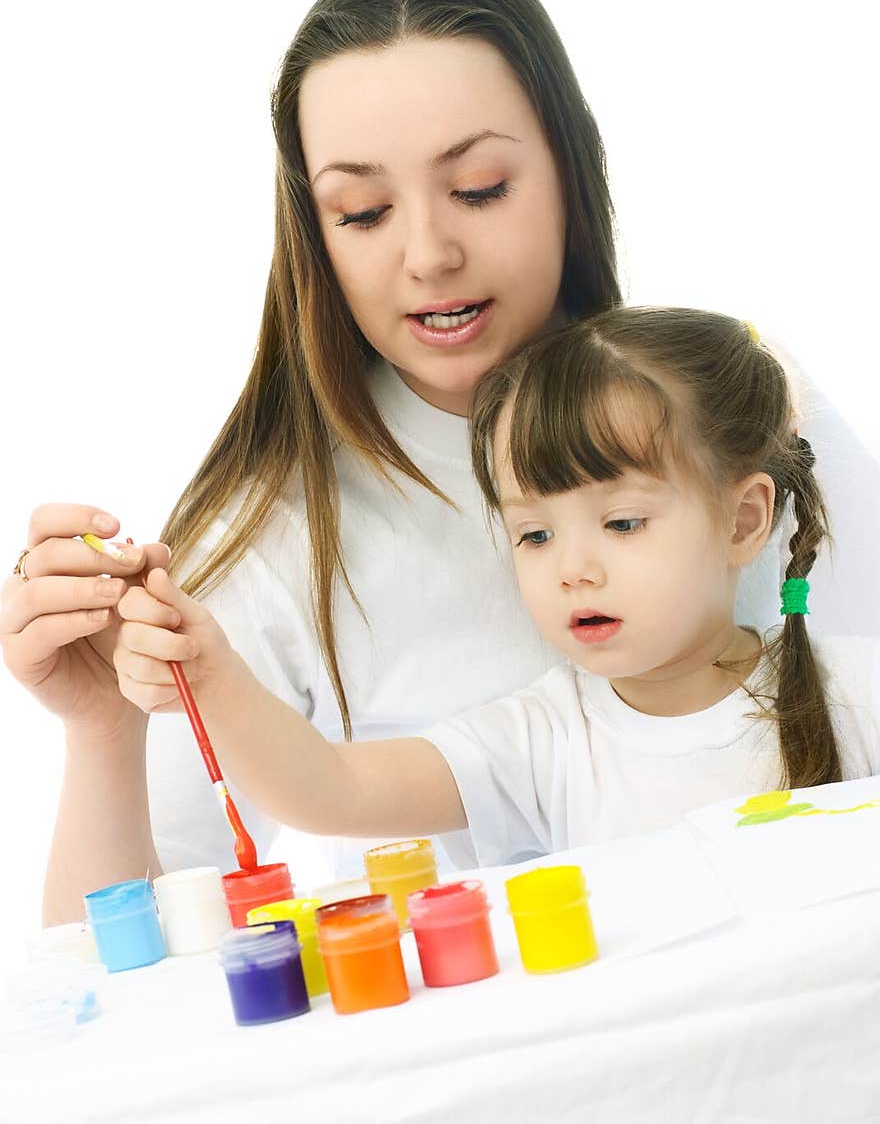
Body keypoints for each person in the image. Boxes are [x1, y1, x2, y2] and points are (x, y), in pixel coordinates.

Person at [2, 0, 877, 921]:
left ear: (567, 171)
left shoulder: (749, 411)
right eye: (364, 210)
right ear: (315, 231)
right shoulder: (283, 535)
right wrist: (99, 733)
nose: (428, 255)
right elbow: (119, 949)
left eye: (478, 187)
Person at [114, 307, 880, 865]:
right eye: (535, 535)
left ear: (744, 520)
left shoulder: (857, 693)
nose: (572, 568)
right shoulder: (544, 741)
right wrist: (213, 673)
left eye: (621, 523)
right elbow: (329, 787)